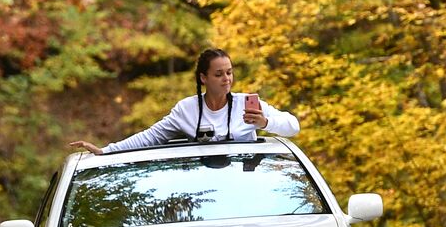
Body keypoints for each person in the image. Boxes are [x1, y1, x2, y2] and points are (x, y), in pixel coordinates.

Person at [68, 49, 299, 155]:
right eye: (219, 74)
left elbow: (293, 126)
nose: (227, 79)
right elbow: (151, 137)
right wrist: (106, 150)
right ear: (203, 78)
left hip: (245, 183)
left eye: (229, 73)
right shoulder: (187, 109)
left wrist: (265, 122)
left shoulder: (245, 104)